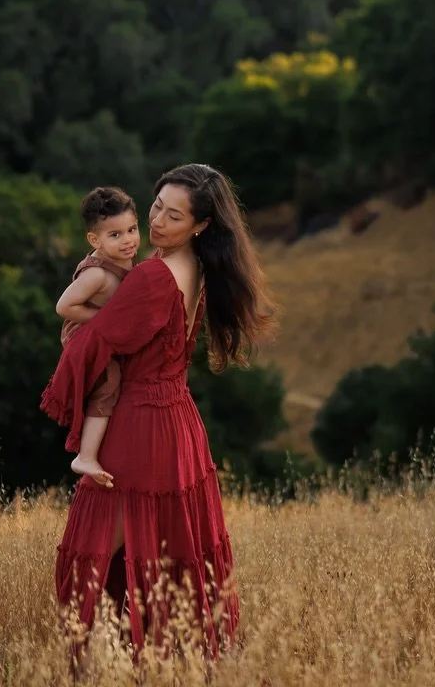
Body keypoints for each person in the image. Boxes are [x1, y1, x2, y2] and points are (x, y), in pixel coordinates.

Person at [40, 163, 276, 659]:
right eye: (155, 208)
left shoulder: (151, 276)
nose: (157, 222)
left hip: (139, 427)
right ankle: (167, 660)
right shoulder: (196, 267)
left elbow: (100, 339)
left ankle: (98, 663)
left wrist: (68, 385)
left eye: (174, 216)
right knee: (168, 555)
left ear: (201, 224)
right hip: (177, 423)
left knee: (95, 558)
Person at [55, 186, 141, 489]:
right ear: (95, 240)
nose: (128, 239)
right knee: (108, 385)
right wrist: (106, 321)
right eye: (115, 235)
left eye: (132, 229)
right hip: (85, 340)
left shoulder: (122, 259)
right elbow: (64, 306)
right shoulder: (98, 274)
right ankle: (86, 456)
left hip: (101, 336)